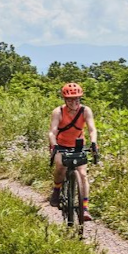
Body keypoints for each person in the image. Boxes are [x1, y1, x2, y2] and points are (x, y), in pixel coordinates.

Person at [48, 82, 98, 221]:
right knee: (60, 167)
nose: (74, 102)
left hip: (78, 145)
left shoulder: (85, 111)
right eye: (70, 99)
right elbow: (52, 132)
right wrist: (54, 145)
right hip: (61, 145)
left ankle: (85, 208)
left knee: (82, 174)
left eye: (77, 99)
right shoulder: (58, 112)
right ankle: (57, 190)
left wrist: (93, 142)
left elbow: (92, 129)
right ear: (65, 100)